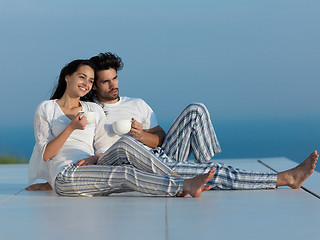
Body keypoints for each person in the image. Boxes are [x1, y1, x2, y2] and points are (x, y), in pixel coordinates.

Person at [27, 53, 318, 192]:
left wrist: (143, 136)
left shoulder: (129, 105)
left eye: (113, 78)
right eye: (101, 82)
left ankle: (200, 169)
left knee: (196, 109)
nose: (111, 85)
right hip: (122, 161)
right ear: (92, 87)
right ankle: (282, 178)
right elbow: (73, 153)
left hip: (154, 154)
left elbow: (162, 139)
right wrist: (49, 181)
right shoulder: (90, 112)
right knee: (210, 172)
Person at [27, 59, 217, 198]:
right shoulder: (47, 108)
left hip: (93, 166)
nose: (86, 83)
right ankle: (183, 185)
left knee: (125, 142)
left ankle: (175, 177)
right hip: (66, 173)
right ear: (67, 77)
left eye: (91, 80)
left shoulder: (93, 109)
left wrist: (95, 158)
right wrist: (71, 127)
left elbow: (103, 148)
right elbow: (45, 154)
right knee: (126, 174)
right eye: (82, 77)